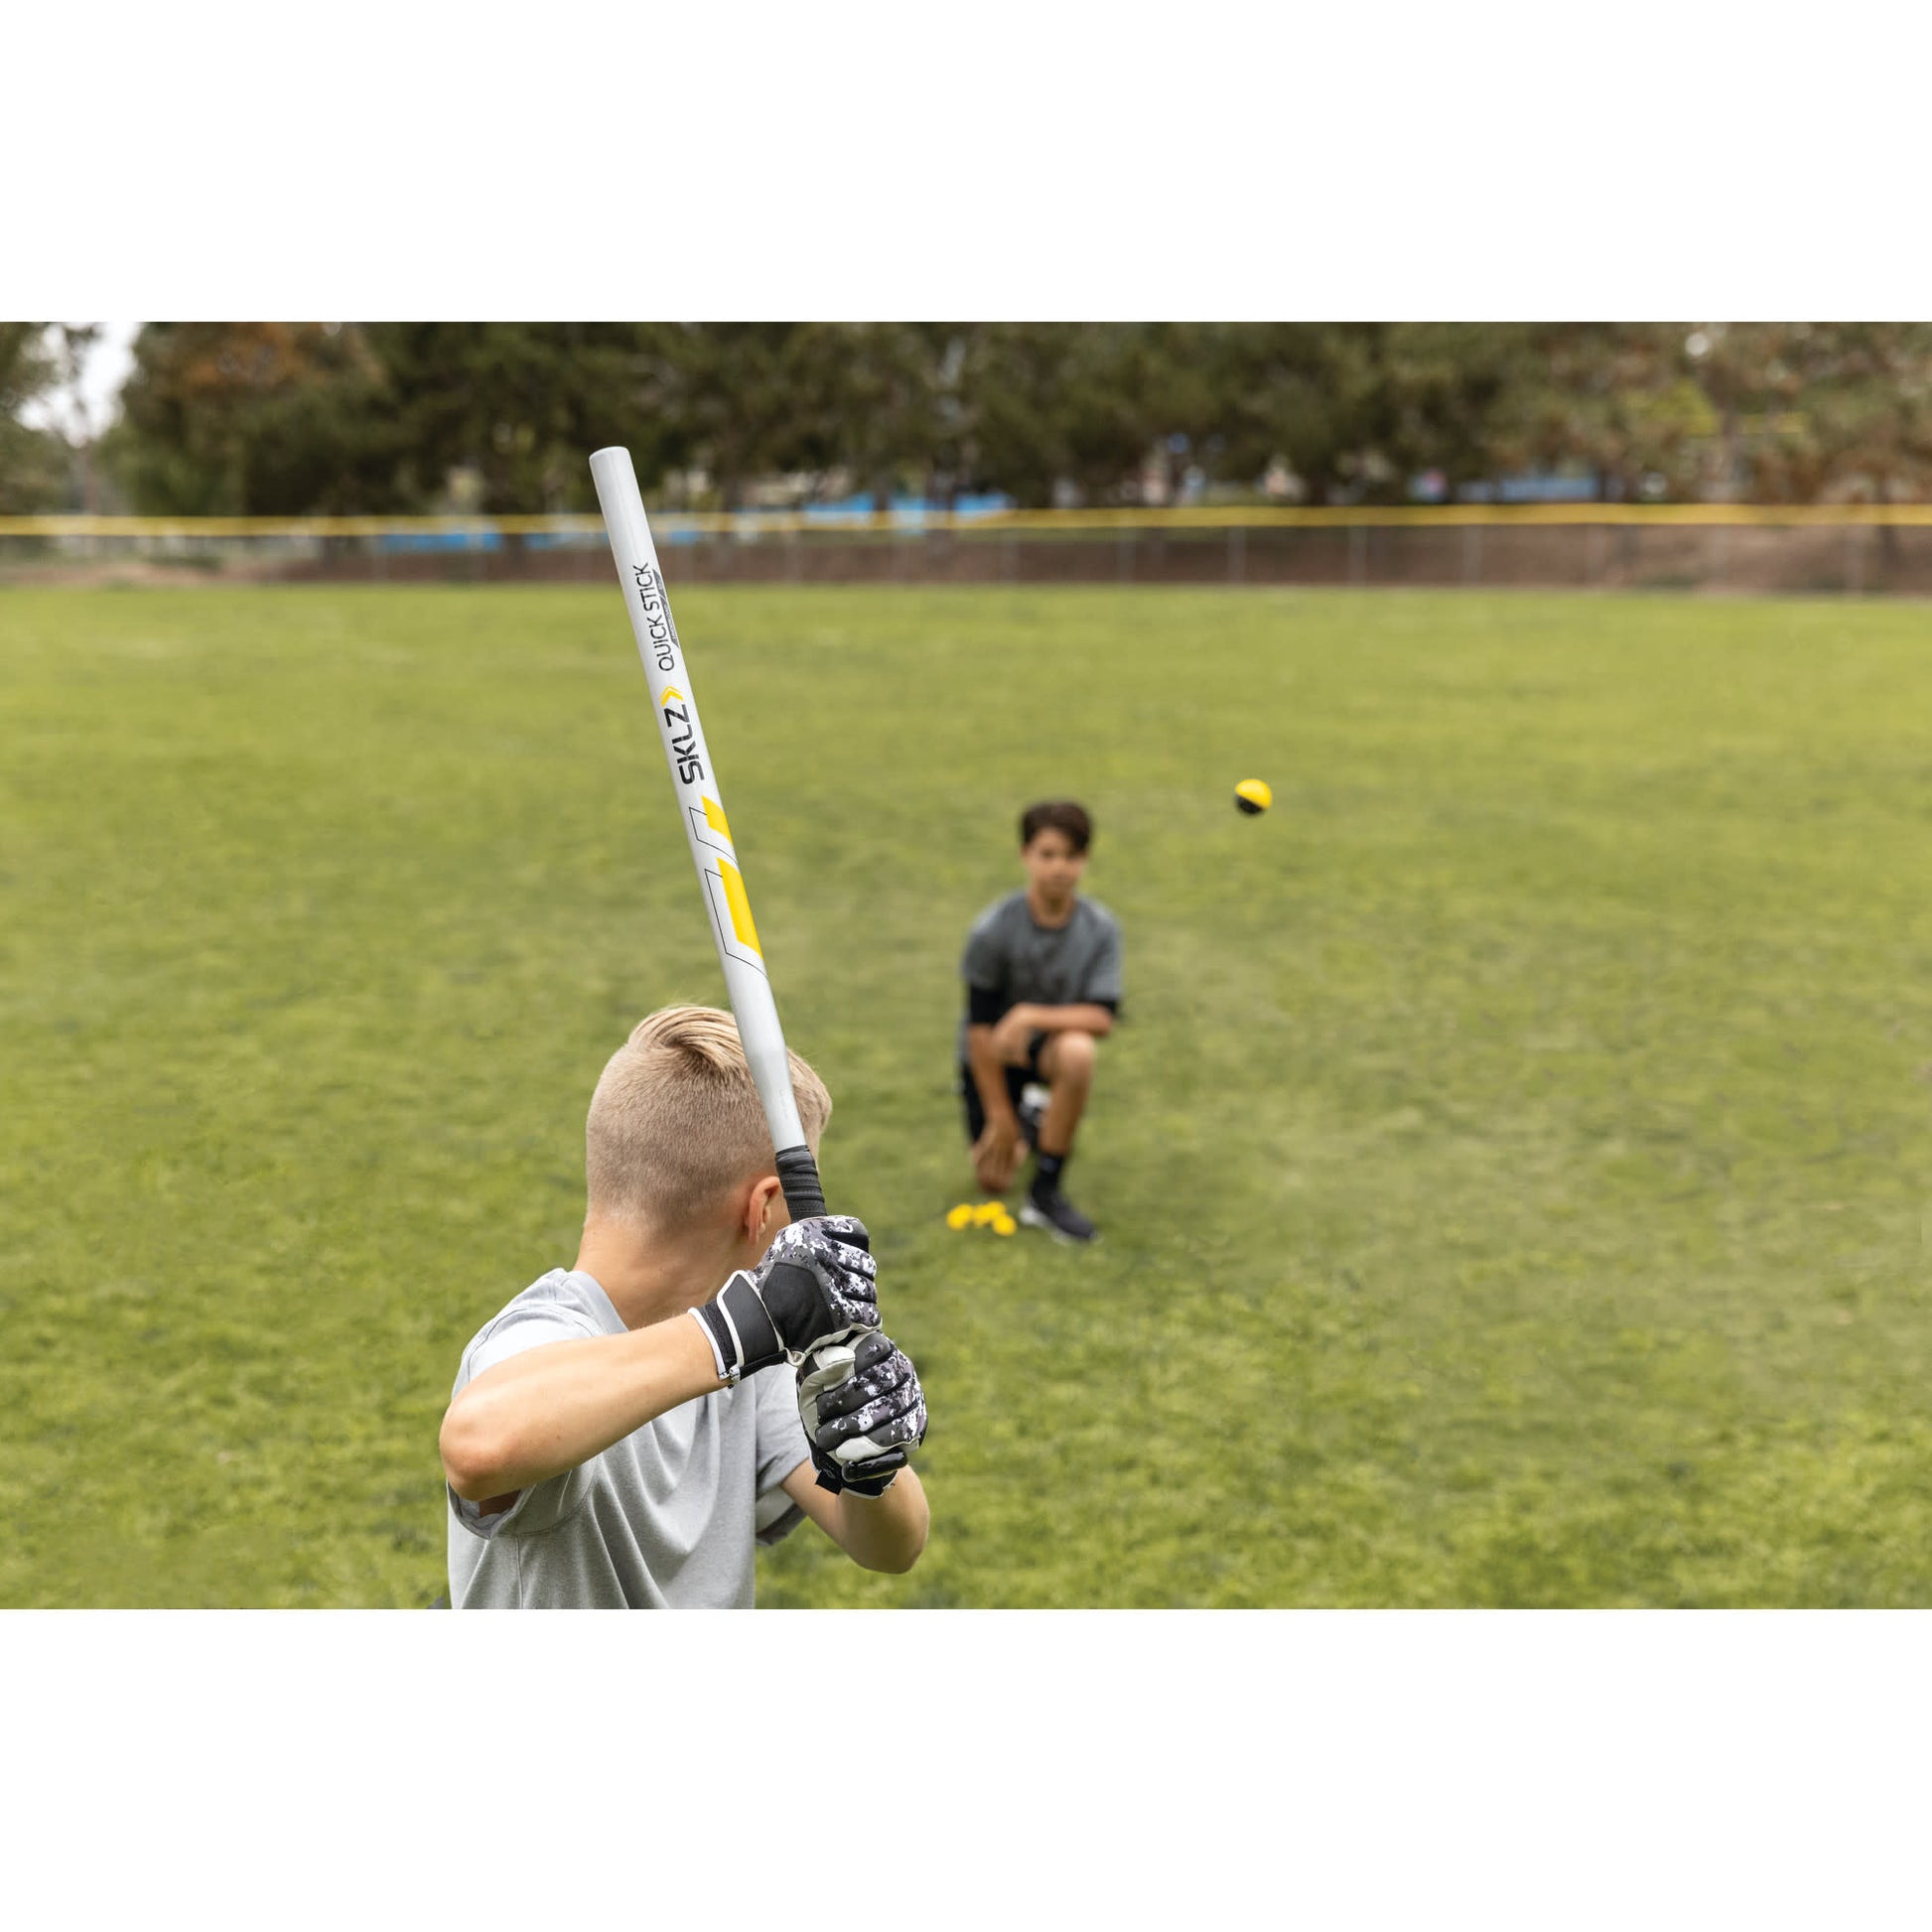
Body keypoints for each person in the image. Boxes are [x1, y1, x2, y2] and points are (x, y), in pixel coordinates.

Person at [439, 1005, 928, 1608]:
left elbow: (891, 1548)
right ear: (765, 1205)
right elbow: (476, 1445)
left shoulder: (747, 1356)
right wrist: (742, 1327)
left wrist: (871, 1462)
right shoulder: (547, 1336)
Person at [958, 799, 1122, 1244]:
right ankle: (1025, 1117)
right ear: (1025, 855)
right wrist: (1000, 1117)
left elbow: (1102, 1017)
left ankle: (1046, 1193)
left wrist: (1029, 1014)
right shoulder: (993, 930)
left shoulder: (1101, 928)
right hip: (993, 1055)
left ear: (1084, 861)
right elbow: (978, 1031)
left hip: (1047, 1050)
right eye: (1047, 855)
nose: (1058, 868)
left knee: (1078, 1051)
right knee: (993, 1182)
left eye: (1070, 857)